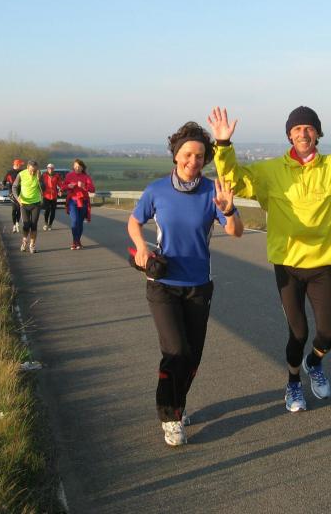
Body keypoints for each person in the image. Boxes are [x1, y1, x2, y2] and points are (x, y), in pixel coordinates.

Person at [208, 99, 331, 413]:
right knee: (298, 333)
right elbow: (235, 180)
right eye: (297, 128)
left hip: (321, 265)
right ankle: (293, 383)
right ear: (289, 135)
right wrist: (222, 144)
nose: (303, 133)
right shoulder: (271, 171)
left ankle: (314, 363)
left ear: (318, 134)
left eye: (309, 128)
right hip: (287, 265)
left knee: (327, 333)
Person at [128, 121, 244, 447]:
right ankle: (169, 416)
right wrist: (140, 247)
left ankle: (177, 404)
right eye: (188, 154)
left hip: (198, 285)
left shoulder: (212, 191)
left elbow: (236, 231)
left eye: (200, 156)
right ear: (176, 155)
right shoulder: (157, 190)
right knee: (175, 350)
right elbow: (134, 221)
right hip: (162, 283)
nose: (193, 161)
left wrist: (229, 210)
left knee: (192, 356)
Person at [12, 160, 45, 253]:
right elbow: (14, 187)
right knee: (26, 225)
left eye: (34, 170)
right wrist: (17, 198)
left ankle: (32, 245)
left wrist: (39, 180)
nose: (32, 172)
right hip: (24, 203)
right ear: (27, 168)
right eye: (31, 170)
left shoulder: (39, 175)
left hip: (36, 203)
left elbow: (44, 189)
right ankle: (24, 242)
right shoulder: (21, 174)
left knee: (34, 225)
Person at [63, 158, 95, 250]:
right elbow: (63, 186)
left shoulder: (86, 177)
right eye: (75, 166)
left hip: (83, 201)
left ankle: (78, 241)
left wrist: (84, 186)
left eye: (79, 166)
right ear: (73, 167)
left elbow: (92, 189)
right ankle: (75, 241)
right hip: (72, 201)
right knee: (75, 221)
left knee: (80, 223)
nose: (77, 168)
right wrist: (68, 186)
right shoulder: (69, 175)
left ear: (82, 168)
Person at [4, 159, 25, 232]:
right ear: (17, 165)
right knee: (14, 209)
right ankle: (14, 225)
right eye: (21, 165)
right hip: (12, 193)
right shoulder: (9, 172)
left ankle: (17, 223)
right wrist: (9, 188)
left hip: (20, 193)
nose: (22, 166)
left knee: (19, 209)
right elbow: (4, 182)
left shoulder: (22, 172)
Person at [41, 163, 63, 231]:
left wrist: (60, 190)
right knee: (47, 210)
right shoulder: (44, 175)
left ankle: (50, 224)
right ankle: (45, 223)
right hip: (46, 195)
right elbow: (39, 183)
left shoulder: (57, 176)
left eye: (51, 168)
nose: (50, 169)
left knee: (53, 211)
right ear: (47, 169)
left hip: (54, 196)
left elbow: (60, 184)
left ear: (53, 169)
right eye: (49, 168)